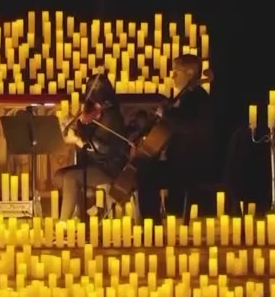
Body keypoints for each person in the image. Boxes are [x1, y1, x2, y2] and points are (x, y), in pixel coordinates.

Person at [135, 54, 215, 219]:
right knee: (145, 170)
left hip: (189, 163)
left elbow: (190, 126)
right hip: (179, 161)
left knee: (146, 174)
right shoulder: (188, 97)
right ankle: (152, 223)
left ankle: (152, 225)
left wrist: (167, 115)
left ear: (190, 73)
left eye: (176, 72)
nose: (172, 76)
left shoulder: (198, 98)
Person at [53, 73, 131, 219]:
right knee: (58, 177)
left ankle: (63, 222)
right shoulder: (92, 113)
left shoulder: (111, 116)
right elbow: (85, 135)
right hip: (92, 164)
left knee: (70, 177)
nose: (92, 97)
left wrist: (77, 140)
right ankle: (86, 209)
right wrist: (72, 126)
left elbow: (103, 150)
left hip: (108, 167)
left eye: (96, 91)